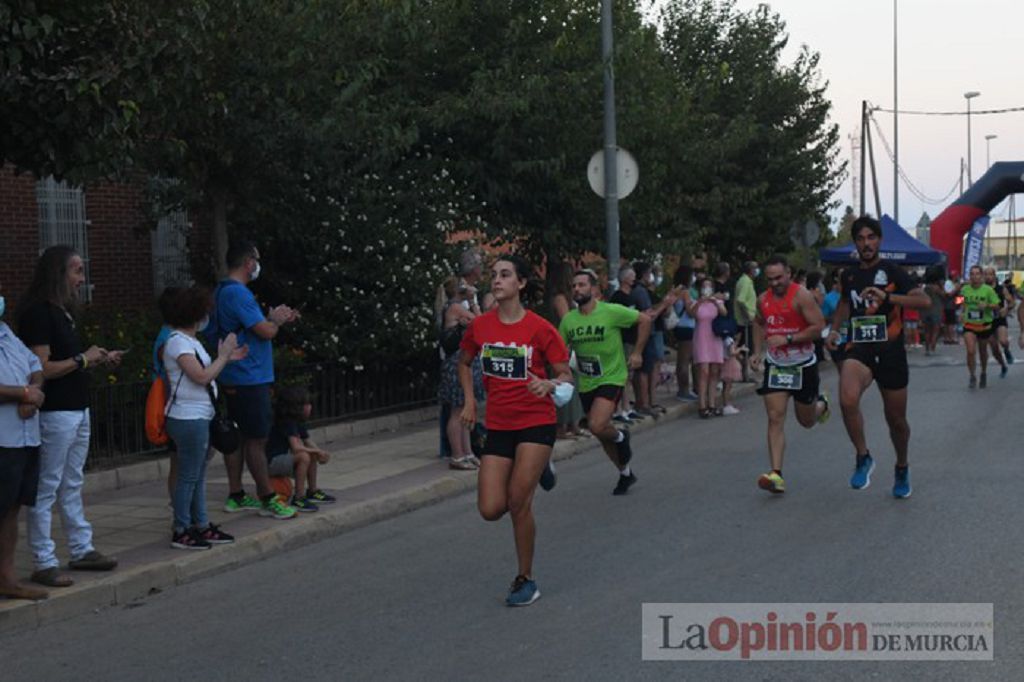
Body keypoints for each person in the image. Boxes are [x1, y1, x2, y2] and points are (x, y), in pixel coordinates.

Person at [458, 255, 572, 607]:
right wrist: (470, 402)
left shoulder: (540, 328)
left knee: (518, 502)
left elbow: (566, 374)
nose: (496, 280)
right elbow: (463, 361)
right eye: (494, 275)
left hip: (536, 422)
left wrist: (550, 384)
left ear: (521, 284)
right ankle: (539, 469)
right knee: (491, 508)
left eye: (505, 275)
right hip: (500, 424)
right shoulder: (481, 327)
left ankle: (525, 579)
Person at [17, 246, 122, 588]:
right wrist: (84, 360)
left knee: (72, 482)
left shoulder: (61, 312)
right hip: (56, 412)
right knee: (47, 485)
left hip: (76, 408)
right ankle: (43, 559)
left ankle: (81, 547)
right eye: (76, 271)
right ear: (57, 273)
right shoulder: (38, 313)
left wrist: (95, 358)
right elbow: (42, 367)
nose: (81, 278)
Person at [825, 216, 930, 498]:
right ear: (856, 243)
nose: (866, 243)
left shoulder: (892, 271)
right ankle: (863, 456)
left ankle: (902, 465)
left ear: (879, 240)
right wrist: (835, 330)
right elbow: (846, 303)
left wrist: (888, 298)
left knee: (896, 421)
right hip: (860, 347)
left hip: (890, 350)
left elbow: (923, 301)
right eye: (860, 239)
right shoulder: (847, 275)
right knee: (847, 398)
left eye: (871, 238)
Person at [211, 241, 299, 520]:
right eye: (257, 260)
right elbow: (264, 331)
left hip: (234, 374)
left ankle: (236, 495)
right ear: (249, 263)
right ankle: (268, 497)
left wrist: (272, 320)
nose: (258, 265)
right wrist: (276, 320)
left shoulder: (222, 290)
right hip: (250, 376)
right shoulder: (239, 294)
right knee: (257, 440)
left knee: (238, 437)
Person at [162, 286, 245, 549]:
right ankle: (181, 528)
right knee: (189, 475)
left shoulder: (191, 341)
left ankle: (201, 524)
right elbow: (201, 376)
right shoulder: (177, 341)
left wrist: (226, 359)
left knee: (198, 474)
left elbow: (205, 370)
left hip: (199, 416)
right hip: (187, 418)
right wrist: (223, 356)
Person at [559, 269, 651, 495]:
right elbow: (560, 351)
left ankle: (620, 436)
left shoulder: (610, 311)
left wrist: (637, 352)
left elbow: (645, 320)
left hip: (612, 376)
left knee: (597, 425)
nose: (577, 289)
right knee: (601, 434)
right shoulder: (569, 320)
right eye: (574, 286)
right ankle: (625, 473)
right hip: (587, 381)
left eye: (582, 285)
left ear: (594, 289)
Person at [749, 256, 831, 494]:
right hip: (777, 365)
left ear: (788, 275)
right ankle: (776, 474)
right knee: (775, 417)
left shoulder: (801, 296)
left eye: (779, 278)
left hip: (803, 364)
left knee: (806, 421)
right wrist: (756, 352)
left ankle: (821, 405)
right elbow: (758, 323)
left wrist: (788, 339)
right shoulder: (762, 299)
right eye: (770, 279)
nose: (775, 283)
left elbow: (818, 327)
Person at [0, 281, 48, 600]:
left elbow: (35, 367)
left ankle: (7, 578)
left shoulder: (6, 333)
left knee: (11, 510)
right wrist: (23, 393)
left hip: (25, 438)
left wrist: (34, 394)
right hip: (2, 438)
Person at [438, 277, 483, 469]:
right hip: (457, 363)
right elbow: (481, 321)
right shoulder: (455, 307)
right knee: (457, 411)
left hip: (464, 360)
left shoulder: (455, 306)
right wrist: (473, 301)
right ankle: (457, 455)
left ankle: (467, 452)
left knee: (466, 409)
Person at [266, 385, 335, 512]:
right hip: (271, 463)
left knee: (311, 454)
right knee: (303, 456)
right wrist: (317, 451)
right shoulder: (287, 422)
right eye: (307, 403)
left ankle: (312, 491)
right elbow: (296, 448)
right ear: (296, 407)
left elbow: (308, 441)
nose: (310, 407)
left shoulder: (298, 422)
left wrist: (320, 453)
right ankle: (298, 497)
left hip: (282, 460)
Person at [688, 276, 727, 418]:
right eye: (704, 286)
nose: (707, 288)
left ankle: (712, 403)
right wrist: (700, 301)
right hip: (701, 338)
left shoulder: (716, 301)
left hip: (715, 338)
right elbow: (692, 314)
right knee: (703, 371)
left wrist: (715, 301)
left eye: (709, 286)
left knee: (715, 371)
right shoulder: (695, 302)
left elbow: (724, 312)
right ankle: (702, 405)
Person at [959, 266, 1002, 388]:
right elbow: (959, 302)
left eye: (977, 274)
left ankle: (983, 372)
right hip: (969, 324)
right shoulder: (965, 289)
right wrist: (961, 312)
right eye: (972, 274)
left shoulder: (988, 290)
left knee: (983, 351)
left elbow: (998, 305)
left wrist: (987, 305)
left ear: (981, 276)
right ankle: (972, 375)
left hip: (984, 325)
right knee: (971, 351)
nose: (974, 276)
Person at [672, 264, 698, 401]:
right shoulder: (686, 292)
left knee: (682, 359)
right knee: (685, 360)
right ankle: (684, 390)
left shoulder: (675, 290)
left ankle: (684, 389)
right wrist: (699, 304)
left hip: (679, 327)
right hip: (687, 326)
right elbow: (690, 311)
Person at [734, 261, 759, 381]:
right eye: (755, 268)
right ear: (750, 270)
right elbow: (741, 300)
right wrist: (747, 315)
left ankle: (745, 374)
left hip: (746, 320)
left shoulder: (747, 281)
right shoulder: (745, 282)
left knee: (745, 348)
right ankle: (744, 375)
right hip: (744, 321)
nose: (757, 271)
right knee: (745, 348)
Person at [984, 266, 1014, 366]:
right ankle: (1002, 364)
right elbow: (964, 300)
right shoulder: (980, 289)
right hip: (986, 320)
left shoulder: (1001, 289)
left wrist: (1007, 308)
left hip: (999, 318)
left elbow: (1011, 302)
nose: (988, 277)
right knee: (994, 348)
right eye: (986, 274)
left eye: (990, 274)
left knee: (1003, 341)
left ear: (994, 276)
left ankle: (1006, 350)